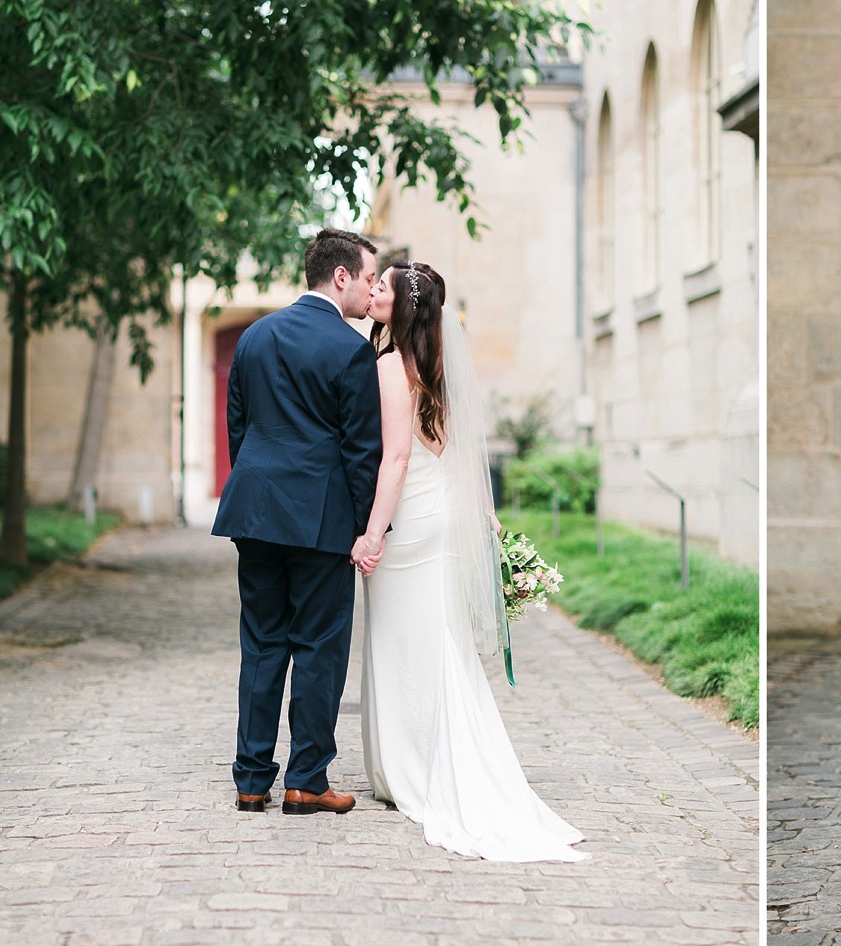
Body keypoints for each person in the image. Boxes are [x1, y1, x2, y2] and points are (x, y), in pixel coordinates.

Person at [353, 259, 586, 862]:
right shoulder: (438, 365)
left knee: (404, 642)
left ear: (400, 307)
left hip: (412, 523)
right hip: (449, 517)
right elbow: (461, 452)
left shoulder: (389, 364)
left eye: (382, 286)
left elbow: (397, 458)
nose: (373, 290)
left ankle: (409, 768)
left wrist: (373, 534)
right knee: (443, 641)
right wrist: (487, 516)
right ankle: (430, 758)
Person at [212, 228, 383, 816]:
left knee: (261, 643)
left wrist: (260, 492)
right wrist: (367, 528)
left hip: (255, 511)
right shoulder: (350, 348)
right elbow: (363, 452)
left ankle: (251, 780)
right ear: (341, 276)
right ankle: (306, 780)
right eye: (366, 278)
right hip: (320, 519)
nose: (369, 290)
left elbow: (240, 428)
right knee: (318, 647)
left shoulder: (255, 336)